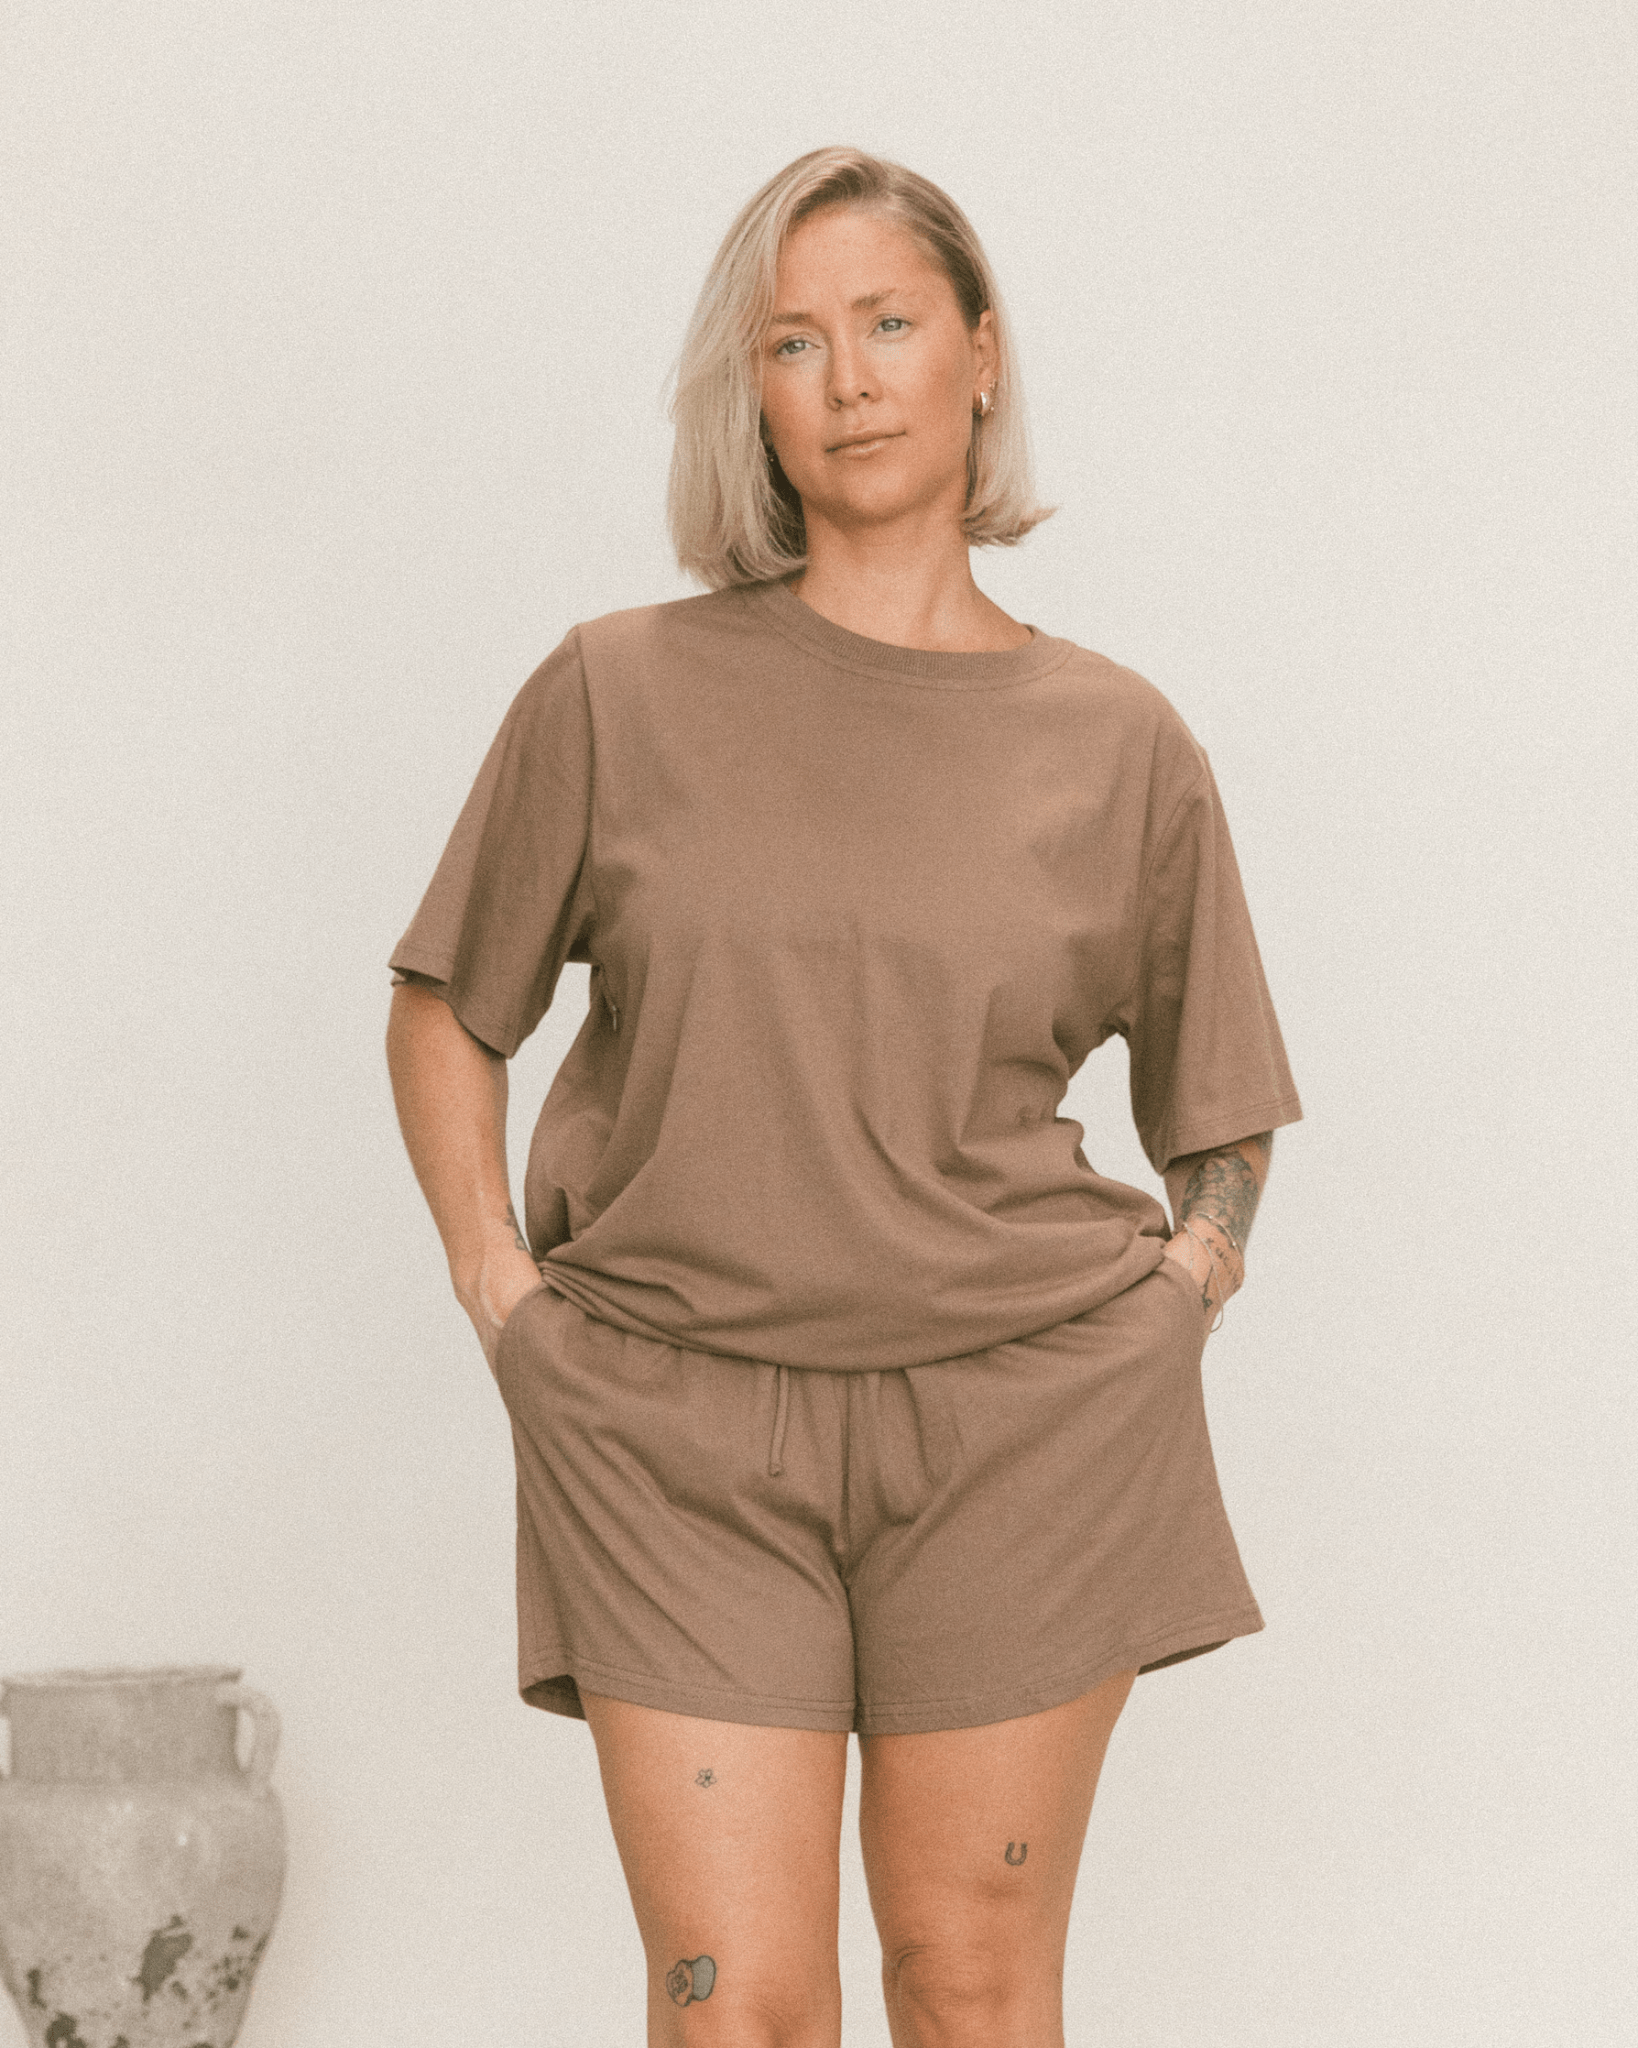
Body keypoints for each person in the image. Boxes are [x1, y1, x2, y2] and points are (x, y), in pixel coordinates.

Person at [385, 145, 1302, 2048]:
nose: (850, 378)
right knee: (735, 2008)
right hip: (672, 1434)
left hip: (1024, 1439)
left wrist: (1183, 1291)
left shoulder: (1117, 742)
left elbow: (1219, 1100)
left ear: (981, 352)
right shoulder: (615, 692)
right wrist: (498, 1288)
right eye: (793, 343)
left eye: (888, 323)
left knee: (968, 1991)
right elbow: (446, 1005)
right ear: (752, 396)